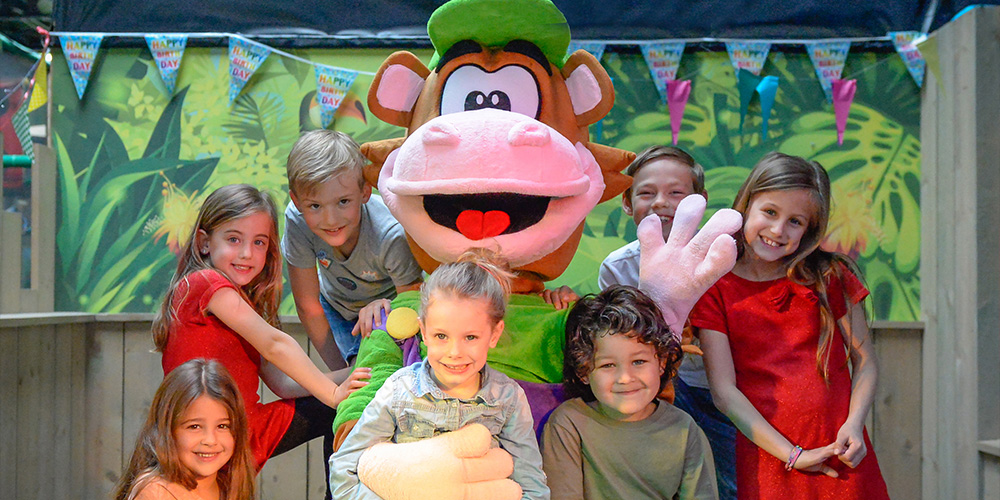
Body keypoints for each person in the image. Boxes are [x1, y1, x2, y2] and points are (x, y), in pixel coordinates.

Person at [689, 152, 890, 499]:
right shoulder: (715, 286)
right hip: (770, 458)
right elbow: (724, 394)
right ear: (746, 203)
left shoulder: (828, 276)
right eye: (770, 212)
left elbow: (866, 361)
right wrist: (794, 456)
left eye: (795, 221)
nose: (778, 230)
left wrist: (855, 424)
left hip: (841, 455)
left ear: (810, 229)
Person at [151, 184, 370, 482]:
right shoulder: (203, 283)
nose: (246, 253)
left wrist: (352, 374)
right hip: (206, 430)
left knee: (342, 409)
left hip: (249, 428)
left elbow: (282, 384)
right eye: (233, 239)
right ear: (204, 242)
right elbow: (274, 344)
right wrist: (332, 394)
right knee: (334, 407)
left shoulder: (240, 304)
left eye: (259, 242)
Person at [330, 250, 550, 499]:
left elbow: (531, 484)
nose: (454, 352)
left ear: (495, 334)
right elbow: (346, 463)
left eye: (470, 337)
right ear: (423, 331)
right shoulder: (399, 390)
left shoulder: (508, 398)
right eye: (441, 336)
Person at [597, 145, 737, 499]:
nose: (661, 202)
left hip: (724, 391)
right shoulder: (618, 267)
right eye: (646, 193)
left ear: (700, 200)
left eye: (677, 193)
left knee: (729, 484)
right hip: (655, 394)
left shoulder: (724, 257)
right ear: (627, 203)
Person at [541, 285, 718, 500]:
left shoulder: (685, 429)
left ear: (661, 362)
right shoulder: (568, 424)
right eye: (608, 365)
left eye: (639, 361)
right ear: (584, 371)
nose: (625, 377)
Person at [282, 130, 423, 369]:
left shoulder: (390, 233)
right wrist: (341, 375)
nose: (330, 219)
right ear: (296, 202)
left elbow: (411, 304)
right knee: (355, 379)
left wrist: (387, 310)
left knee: (384, 375)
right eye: (315, 205)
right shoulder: (297, 220)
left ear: (365, 192)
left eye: (343, 202)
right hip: (335, 305)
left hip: (391, 306)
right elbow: (308, 305)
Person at [112, 358, 257, 500]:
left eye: (222, 426)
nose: (210, 440)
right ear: (168, 430)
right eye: (194, 427)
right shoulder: (156, 493)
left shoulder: (227, 485)